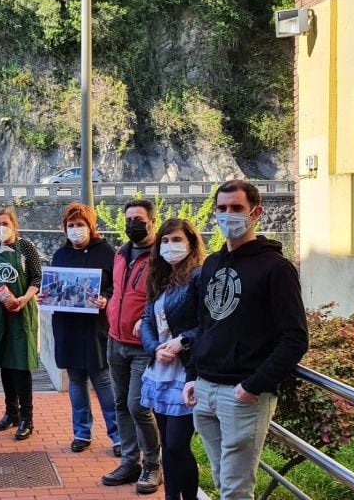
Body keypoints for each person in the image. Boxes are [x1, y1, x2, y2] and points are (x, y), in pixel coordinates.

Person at [181, 180, 309, 500]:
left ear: (256, 213)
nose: (228, 215)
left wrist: (254, 385)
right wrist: (192, 375)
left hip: (242, 395)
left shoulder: (276, 269)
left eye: (236, 208)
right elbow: (206, 324)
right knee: (222, 480)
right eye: (222, 209)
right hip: (206, 389)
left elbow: (295, 337)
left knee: (237, 489)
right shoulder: (211, 264)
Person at [42, 203, 120, 455]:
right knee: (76, 380)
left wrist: (105, 299)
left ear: (90, 226)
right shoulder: (60, 255)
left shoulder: (106, 252)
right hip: (68, 326)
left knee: (103, 380)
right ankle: (82, 433)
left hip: (96, 326)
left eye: (80, 225)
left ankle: (118, 436)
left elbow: (116, 287)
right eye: (71, 226)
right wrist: (46, 296)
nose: (75, 230)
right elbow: (53, 287)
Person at [139, 218, 206, 500]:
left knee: (178, 445)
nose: (170, 246)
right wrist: (155, 348)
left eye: (177, 240)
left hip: (186, 372)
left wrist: (181, 342)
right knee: (167, 444)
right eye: (164, 241)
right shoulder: (159, 276)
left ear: (191, 243)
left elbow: (208, 322)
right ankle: (170, 497)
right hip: (160, 370)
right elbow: (146, 319)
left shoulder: (199, 276)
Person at [102, 199, 163, 494]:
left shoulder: (160, 257)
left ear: (152, 221)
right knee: (120, 404)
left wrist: (148, 321)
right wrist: (109, 305)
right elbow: (118, 291)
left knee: (138, 406)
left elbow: (165, 298)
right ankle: (130, 462)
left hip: (142, 345)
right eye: (128, 219)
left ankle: (153, 464)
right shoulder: (121, 254)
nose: (132, 224)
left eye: (138, 219)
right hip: (115, 340)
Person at [0, 207, 42, 441]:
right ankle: (10, 412)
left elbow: (36, 278)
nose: (2, 228)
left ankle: (27, 417)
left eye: (6, 223)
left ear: (15, 225)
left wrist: (24, 299)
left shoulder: (26, 248)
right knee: (5, 361)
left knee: (21, 364)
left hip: (20, 311)